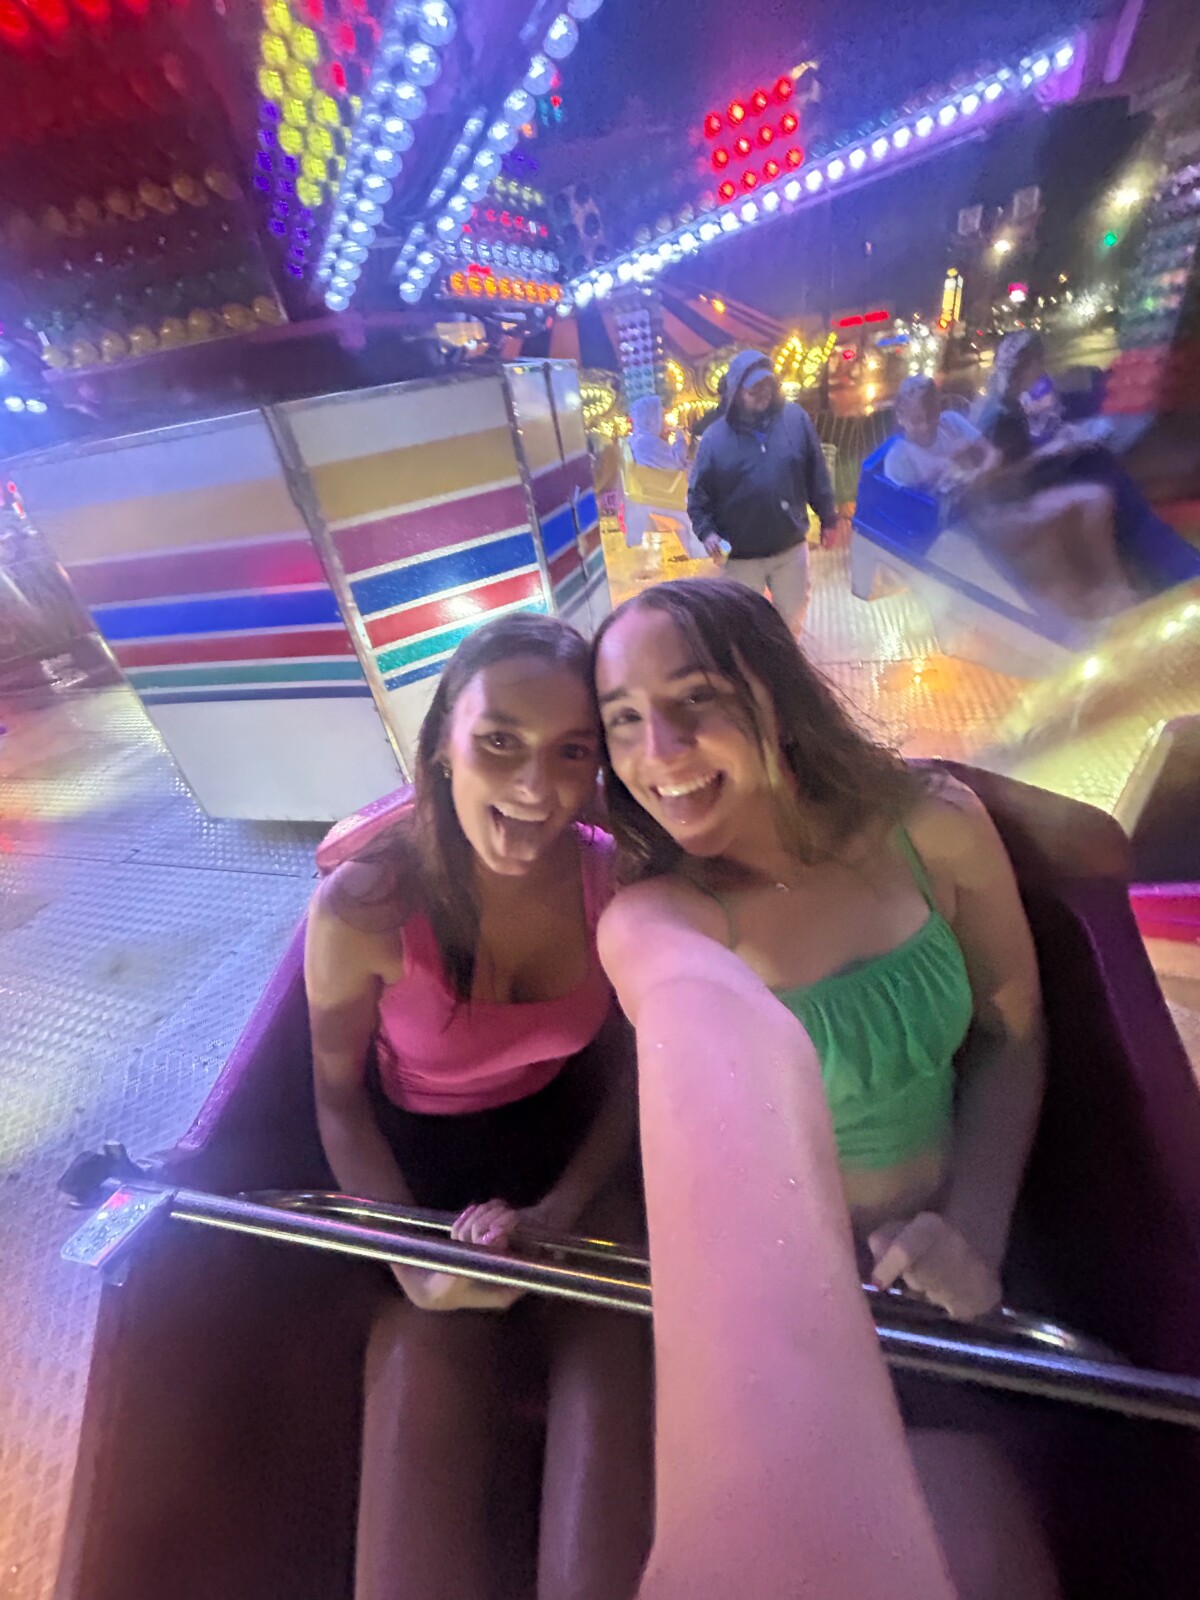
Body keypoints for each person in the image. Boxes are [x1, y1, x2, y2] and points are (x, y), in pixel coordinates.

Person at [592, 579, 1062, 1600]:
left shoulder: (933, 826)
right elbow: (668, 983)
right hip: (792, 1318)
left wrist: (974, 1230)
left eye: (696, 698)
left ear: (778, 694)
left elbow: (1012, 1034)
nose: (659, 750)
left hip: (973, 1262)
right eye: (624, 720)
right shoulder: (668, 915)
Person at [305, 612, 652, 1600]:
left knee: (613, 1348)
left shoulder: (614, 881)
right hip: (414, 1171)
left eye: (571, 751)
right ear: (442, 747)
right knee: (425, 1363)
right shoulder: (366, 906)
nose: (537, 788)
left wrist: (565, 1205)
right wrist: (411, 1259)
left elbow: (633, 1069)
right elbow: (338, 1106)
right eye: (500, 741)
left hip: (570, 1155)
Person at [688, 349, 837, 633]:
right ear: (736, 393)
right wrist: (707, 533)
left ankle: (786, 658)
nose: (762, 394)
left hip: (789, 546)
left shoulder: (795, 420)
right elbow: (698, 497)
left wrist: (828, 517)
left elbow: (815, 471)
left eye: (767, 386)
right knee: (743, 626)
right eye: (753, 389)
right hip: (740, 556)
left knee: (792, 619)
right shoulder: (714, 439)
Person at [885, 375, 996, 493]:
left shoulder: (951, 422)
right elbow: (911, 501)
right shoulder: (899, 459)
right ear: (900, 417)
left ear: (939, 408)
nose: (925, 426)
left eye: (932, 415)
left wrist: (979, 475)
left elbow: (991, 452)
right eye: (916, 420)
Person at [628, 393, 688, 472]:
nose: (664, 420)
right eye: (662, 416)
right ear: (651, 418)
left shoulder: (639, 439)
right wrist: (680, 437)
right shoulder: (647, 442)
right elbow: (678, 463)